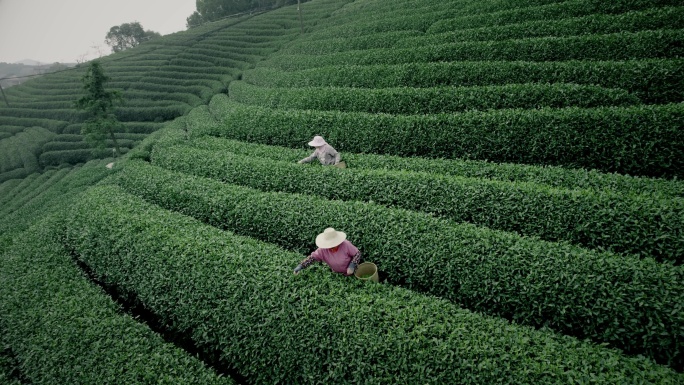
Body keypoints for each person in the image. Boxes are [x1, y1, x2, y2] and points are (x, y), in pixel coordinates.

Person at [294, 227, 361, 276]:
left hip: (353, 273)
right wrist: (301, 266)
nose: (332, 246)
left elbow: (357, 254)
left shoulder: (346, 244)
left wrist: (352, 265)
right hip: (337, 275)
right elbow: (312, 258)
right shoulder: (322, 250)